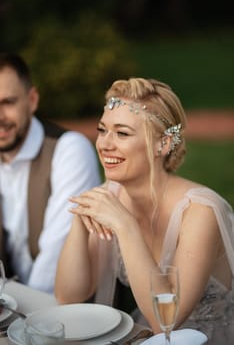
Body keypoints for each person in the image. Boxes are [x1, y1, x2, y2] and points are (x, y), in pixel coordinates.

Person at [55, 77, 234, 340]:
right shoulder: (110, 196)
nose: (104, 144)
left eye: (122, 133)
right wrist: (79, 224)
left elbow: (167, 322)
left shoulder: (199, 212)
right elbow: (68, 297)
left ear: (162, 144)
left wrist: (126, 226)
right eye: (102, 130)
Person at [0, 52, 101, 294]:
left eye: (8, 102)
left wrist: (18, 321)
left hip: (65, 313)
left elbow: (55, 256)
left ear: (32, 100)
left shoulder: (69, 149)